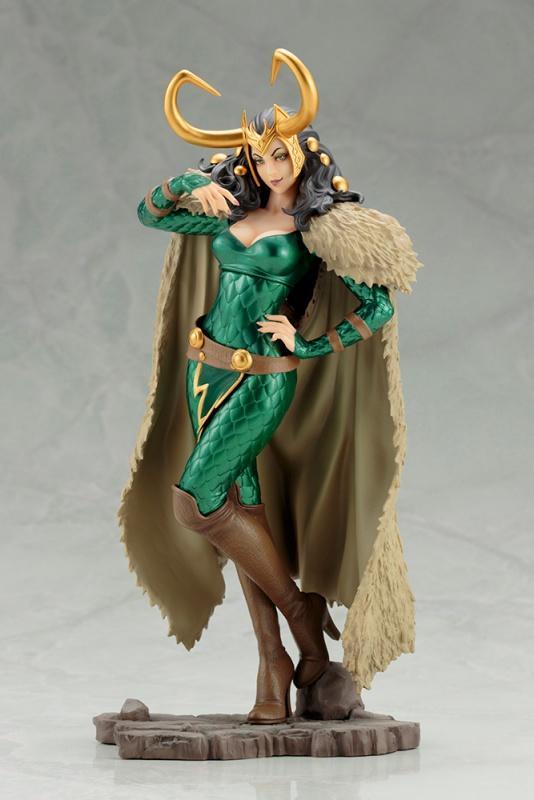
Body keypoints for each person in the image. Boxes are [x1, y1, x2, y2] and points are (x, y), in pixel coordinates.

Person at [118, 49, 423, 725]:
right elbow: (150, 214)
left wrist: (307, 344)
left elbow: (378, 304)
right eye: (259, 156)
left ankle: (301, 619)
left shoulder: (320, 229)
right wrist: (185, 184)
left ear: (304, 154)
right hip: (205, 372)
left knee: (196, 504)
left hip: (260, 382)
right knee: (242, 515)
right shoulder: (231, 209)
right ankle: (275, 663)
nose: (269, 166)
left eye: (280, 153)